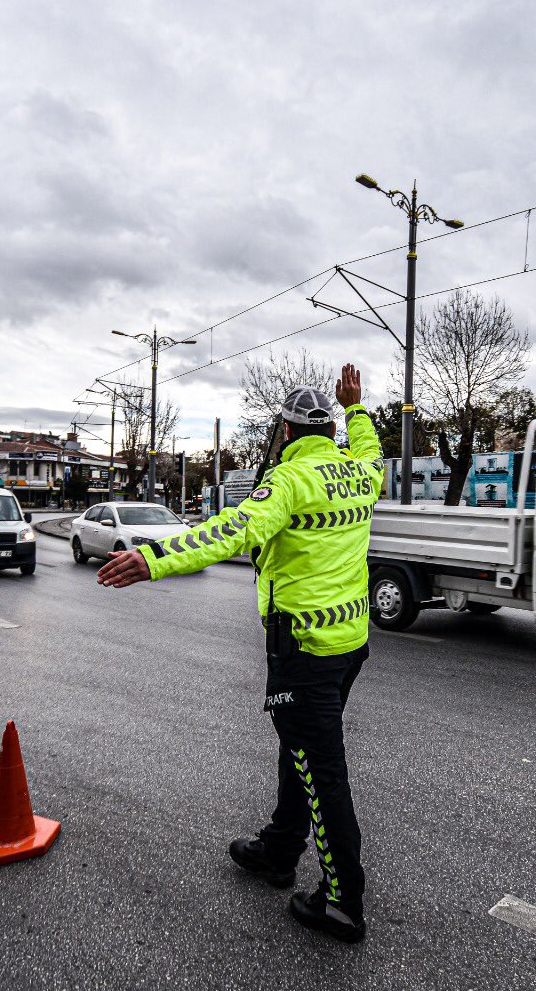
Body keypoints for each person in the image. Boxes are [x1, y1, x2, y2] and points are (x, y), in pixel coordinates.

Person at [97, 364, 383, 943]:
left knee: (321, 771)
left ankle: (342, 901)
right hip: (349, 644)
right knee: (299, 749)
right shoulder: (360, 473)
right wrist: (357, 406)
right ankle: (279, 848)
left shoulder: (289, 482)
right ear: (331, 432)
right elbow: (374, 450)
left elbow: (229, 531)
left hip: (302, 648)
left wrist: (154, 559)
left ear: (285, 432)